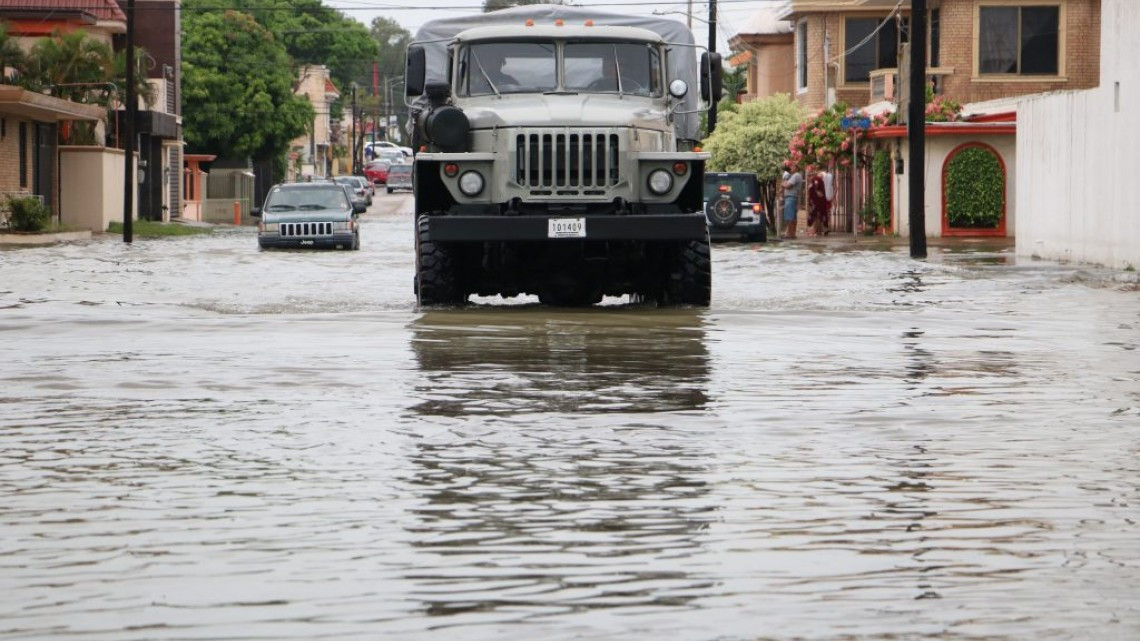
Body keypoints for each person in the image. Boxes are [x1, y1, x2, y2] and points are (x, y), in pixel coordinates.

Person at [781, 167, 803, 239]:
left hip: (791, 197)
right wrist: (785, 183)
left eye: (792, 167)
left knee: (789, 216)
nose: (790, 169)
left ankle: (790, 234)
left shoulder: (796, 175)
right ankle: (792, 233)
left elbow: (787, 186)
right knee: (792, 217)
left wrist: (783, 184)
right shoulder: (792, 176)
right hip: (792, 197)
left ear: (796, 168)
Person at [807, 170, 830, 236]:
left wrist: (816, 192)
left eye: (809, 175)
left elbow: (815, 188)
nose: (808, 177)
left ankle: (813, 230)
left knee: (813, 215)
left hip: (816, 201)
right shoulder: (819, 180)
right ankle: (821, 230)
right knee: (821, 215)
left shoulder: (815, 179)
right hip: (819, 201)